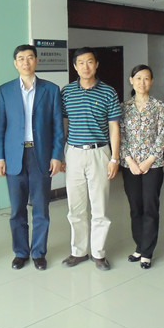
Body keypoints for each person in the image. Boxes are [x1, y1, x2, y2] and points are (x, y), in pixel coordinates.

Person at [0, 44, 64, 271]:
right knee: (17, 209)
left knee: (41, 208)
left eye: (30, 57)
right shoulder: (4, 91)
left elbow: (58, 126)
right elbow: (0, 127)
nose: (26, 62)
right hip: (14, 156)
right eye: (21, 58)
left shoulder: (51, 90)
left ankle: (38, 252)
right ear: (15, 63)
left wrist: (57, 155)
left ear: (36, 61)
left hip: (40, 155)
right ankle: (21, 252)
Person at [61, 47, 122, 271]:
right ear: (75, 67)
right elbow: (63, 124)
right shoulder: (67, 92)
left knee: (99, 207)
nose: (85, 67)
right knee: (75, 207)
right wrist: (61, 154)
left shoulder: (108, 92)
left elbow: (114, 127)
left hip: (99, 152)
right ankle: (78, 251)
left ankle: (98, 253)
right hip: (74, 152)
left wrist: (114, 158)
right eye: (81, 63)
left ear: (96, 65)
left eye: (90, 62)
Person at [119, 64, 164, 269]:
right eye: (138, 78)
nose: (142, 82)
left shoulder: (159, 106)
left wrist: (148, 160)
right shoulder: (124, 107)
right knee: (135, 207)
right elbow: (120, 136)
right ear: (131, 81)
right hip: (129, 165)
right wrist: (130, 161)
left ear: (152, 81)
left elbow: (162, 135)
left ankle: (147, 252)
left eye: (146, 78)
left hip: (152, 165)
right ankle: (139, 246)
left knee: (150, 207)